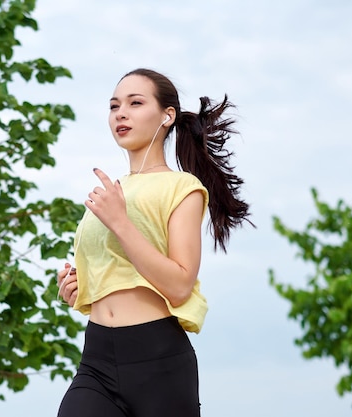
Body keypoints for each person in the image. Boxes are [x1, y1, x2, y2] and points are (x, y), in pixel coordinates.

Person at [56, 68, 252, 417]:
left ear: (167, 115)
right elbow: (117, 271)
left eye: (135, 103)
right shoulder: (112, 191)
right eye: (114, 106)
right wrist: (77, 287)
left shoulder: (183, 188)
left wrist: (120, 222)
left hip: (158, 360)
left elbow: (179, 285)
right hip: (96, 357)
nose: (121, 113)